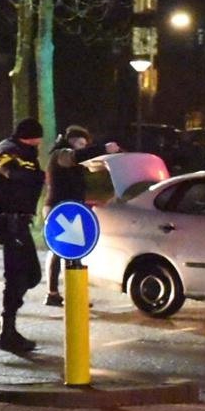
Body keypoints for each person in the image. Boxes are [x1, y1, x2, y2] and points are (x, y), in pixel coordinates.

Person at [0, 118, 47, 355]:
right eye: (37, 139)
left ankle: (6, 321)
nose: (39, 143)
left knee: (31, 275)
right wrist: (39, 176)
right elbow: (11, 172)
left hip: (19, 221)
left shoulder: (26, 153)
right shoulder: (6, 149)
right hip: (8, 220)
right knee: (16, 275)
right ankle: (8, 331)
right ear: (30, 137)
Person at [42, 124, 121, 307]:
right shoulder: (61, 154)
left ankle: (68, 294)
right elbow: (76, 156)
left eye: (84, 144)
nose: (82, 147)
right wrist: (103, 148)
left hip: (70, 209)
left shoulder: (71, 159)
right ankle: (60, 294)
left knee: (69, 251)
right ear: (70, 141)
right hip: (59, 208)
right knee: (63, 250)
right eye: (80, 143)